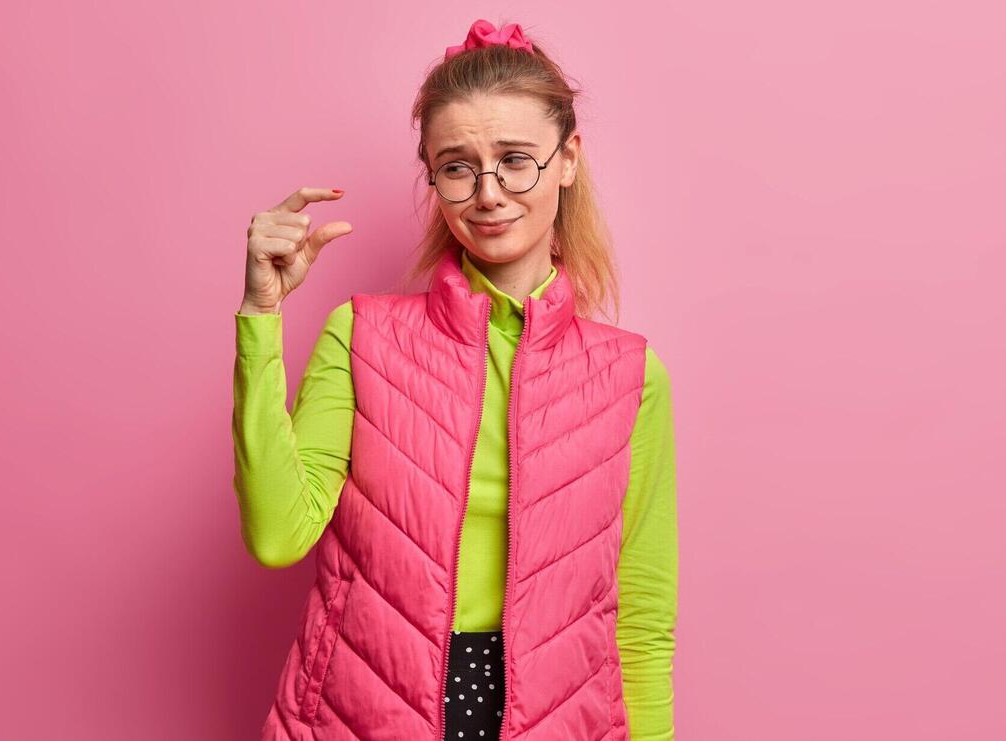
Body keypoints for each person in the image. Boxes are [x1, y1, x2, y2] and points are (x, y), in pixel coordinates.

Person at [232, 18, 678, 741]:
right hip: (360, 715)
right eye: (458, 165)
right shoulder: (362, 335)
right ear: (433, 176)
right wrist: (260, 316)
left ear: (567, 159)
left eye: (515, 160)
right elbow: (279, 534)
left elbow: (643, 618)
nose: (489, 192)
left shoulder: (631, 376)